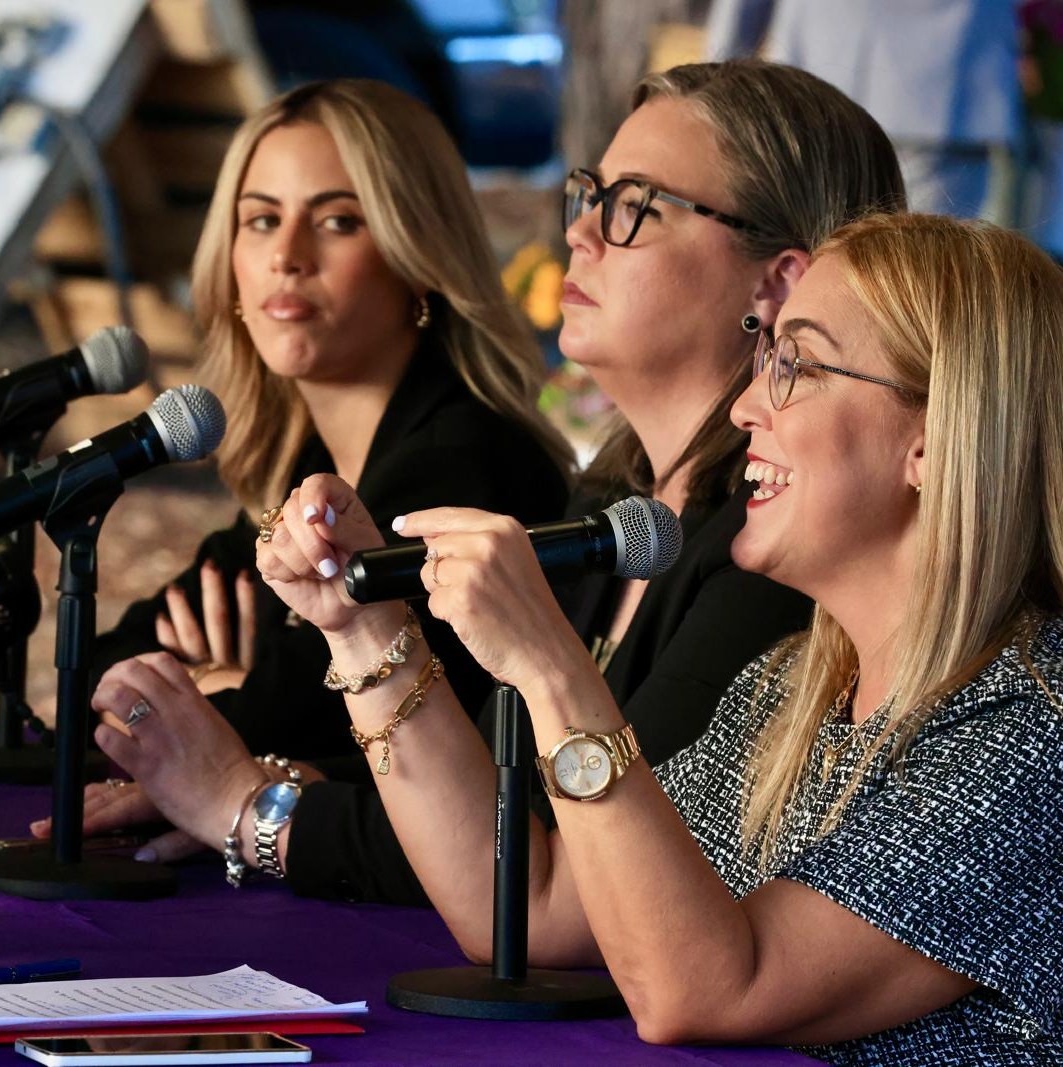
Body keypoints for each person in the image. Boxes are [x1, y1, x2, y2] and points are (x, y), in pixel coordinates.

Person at [104, 212, 1062, 1062]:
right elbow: (536, 907)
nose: (744, 408)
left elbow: (709, 989)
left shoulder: (1028, 733)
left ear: (932, 439)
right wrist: (364, 632)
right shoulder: (795, 685)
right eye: (764, 357)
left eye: (798, 366)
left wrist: (551, 668)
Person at [48, 60, 903, 900]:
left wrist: (245, 800)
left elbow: (562, 866)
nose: (579, 233)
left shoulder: (771, 549)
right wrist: (279, 775)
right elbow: (495, 791)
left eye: (635, 206)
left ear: (777, 281)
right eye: (589, 195)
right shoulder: (610, 503)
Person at [704, 0, 1022, 220]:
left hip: (821, 80)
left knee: (820, 252)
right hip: (947, 90)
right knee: (923, 269)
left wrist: (720, 80)